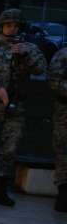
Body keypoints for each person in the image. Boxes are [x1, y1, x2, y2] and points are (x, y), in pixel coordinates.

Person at [0, 8, 46, 206]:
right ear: (1, 26)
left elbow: (40, 69)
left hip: (15, 108)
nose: (12, 29)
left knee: (9, 149)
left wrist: (26, 54)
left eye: (16, 26)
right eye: (9, 25)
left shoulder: (29, 48)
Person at [49, 45, 67, 212]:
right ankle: (63, 194)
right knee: (63, 153)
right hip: (64, 113)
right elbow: (54, 80)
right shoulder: (63, 55)